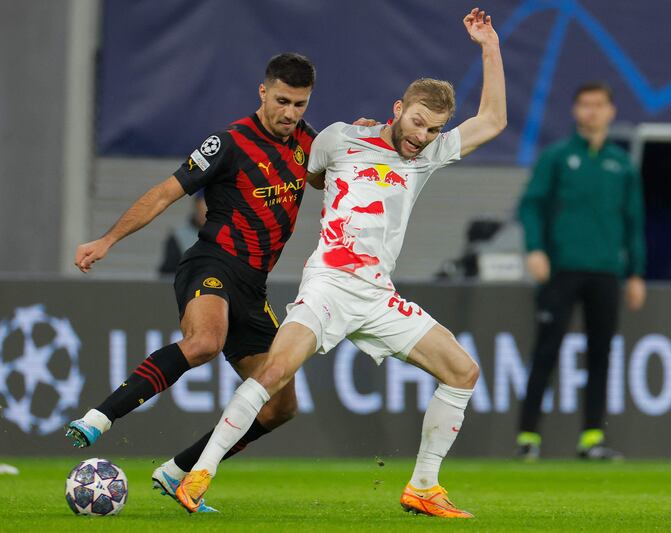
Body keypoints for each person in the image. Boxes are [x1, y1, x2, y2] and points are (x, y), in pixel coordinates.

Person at [175, 8, 506, 519]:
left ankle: (422, 486)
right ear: (399, 108)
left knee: (463, 371)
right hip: (328, 284)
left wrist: (488, 45)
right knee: (274, 371)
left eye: (433, 128)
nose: (421, 134)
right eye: (417, 121)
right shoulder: (339, 138)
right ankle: (200, 474)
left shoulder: (428, 156)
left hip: (378, 296)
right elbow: (310, 177)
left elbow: (494, 120)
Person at [65, 53, 321, 512]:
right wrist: (107, 240)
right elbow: (166, 192)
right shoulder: (229, 142)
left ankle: (178, 471)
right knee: (204, 341)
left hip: (253, 287)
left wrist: (369, 136)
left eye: (300, 104)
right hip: (213, 262)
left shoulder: (308, 142)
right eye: (282, 101)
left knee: (281, 408)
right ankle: (99, 417)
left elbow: (333, 174)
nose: (290, 114)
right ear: (263, 92)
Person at [516, 81, 646, 461]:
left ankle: (592, 438)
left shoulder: (622, 165)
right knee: (546, 350)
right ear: (575, 111)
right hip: (561, 269)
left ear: (611, 111)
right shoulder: (557, 157)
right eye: (585, 104)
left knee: (601, 354)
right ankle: (528, 436)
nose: (592, 111)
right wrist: (535, 248)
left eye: (599, 105)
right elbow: (531, 205)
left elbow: (634, 222)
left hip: (606, 271)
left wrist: (636, 272)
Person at [158, 192, 207, 275]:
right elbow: (167, 276)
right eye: (203, 204)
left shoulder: (230, 236)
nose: (205, 210)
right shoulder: (178, 238)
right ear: (196, 205)